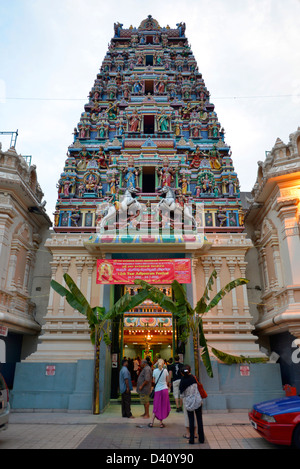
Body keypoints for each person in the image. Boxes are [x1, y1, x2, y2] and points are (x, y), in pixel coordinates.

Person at [179, 365, 205, 444]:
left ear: (182, 373)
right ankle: (201, 439)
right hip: (197, 401)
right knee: (199, 420)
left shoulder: (182, 381)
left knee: (191, 420)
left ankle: (191, 440)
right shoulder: (194, 378)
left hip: (189, 402)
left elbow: (182, 395)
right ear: (190, 370)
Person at [148, 358, 171, 428]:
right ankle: (161, 423)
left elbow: (154, 381)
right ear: (163, 364)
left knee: (156, 405)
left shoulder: (154, 371)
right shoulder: (165, 371)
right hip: (164, 390)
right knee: (162, 406)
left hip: (157, 390)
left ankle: (152, 422)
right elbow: (167, 381)